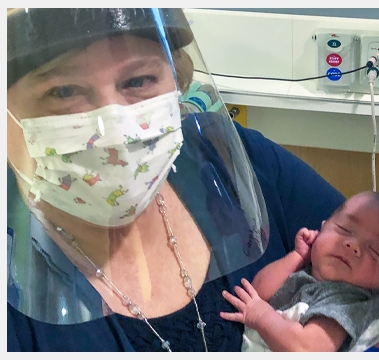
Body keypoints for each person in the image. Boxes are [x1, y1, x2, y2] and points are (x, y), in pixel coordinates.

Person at [6, 8, 350, 351]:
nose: (113, 130)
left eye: (138, 81)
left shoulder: (236, 161)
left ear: (176, 79)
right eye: (64, 92)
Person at [219, 191, 379, 352]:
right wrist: (298, 256)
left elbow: (307, 349)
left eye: (375, 251)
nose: (353, 245)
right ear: (322, 228)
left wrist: (261, 317)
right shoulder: (308, 272)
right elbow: (258, 292)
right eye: (345, 229)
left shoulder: (347, 301)